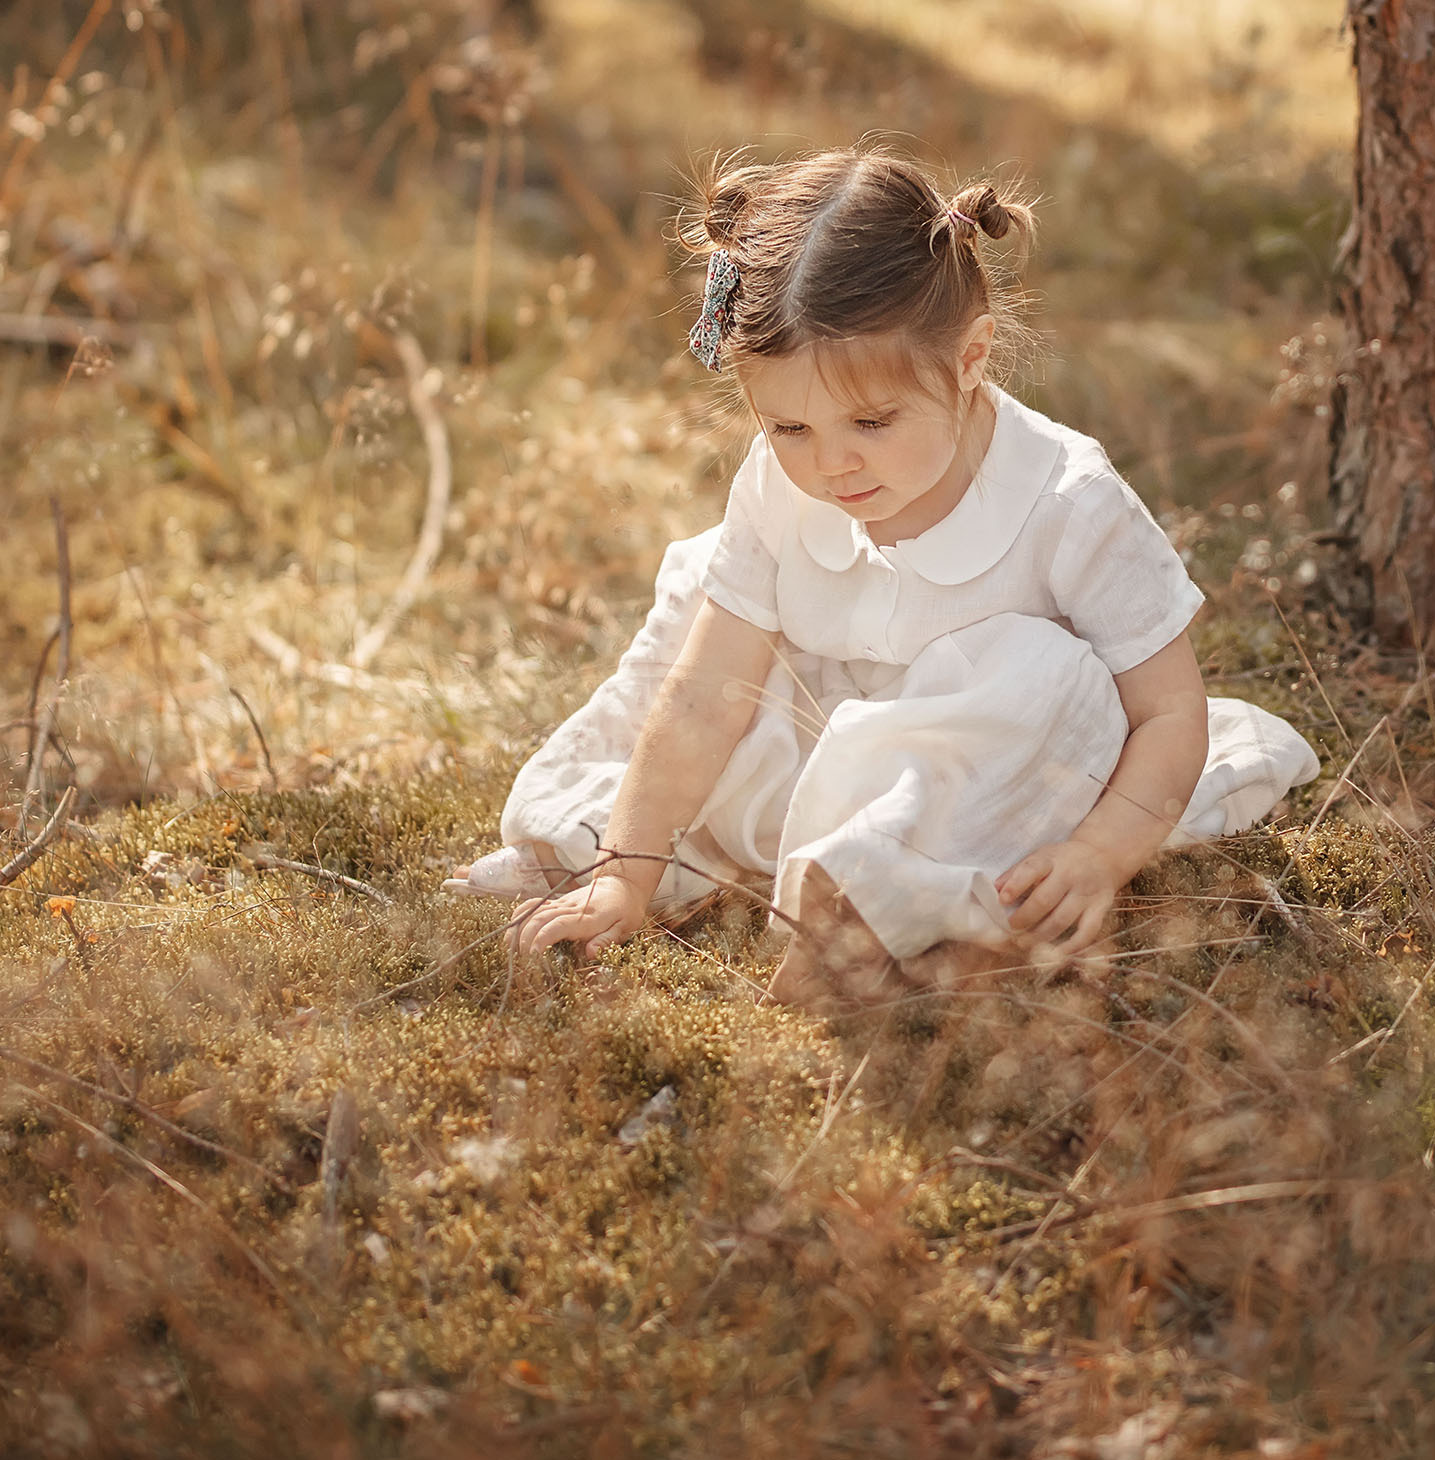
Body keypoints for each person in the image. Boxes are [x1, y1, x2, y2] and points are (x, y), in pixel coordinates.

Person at [455, 147, 1317, 1005]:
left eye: (871, 420)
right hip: (826, 741)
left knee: (1032, 670)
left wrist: (1102, 852)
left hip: (984, 771)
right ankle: (688, 862)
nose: (832, 465)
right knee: (709, 636)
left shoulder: (1068, 502)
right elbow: (700, 696)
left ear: (971, 359)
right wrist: (625, 873)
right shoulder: (777, 483)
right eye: (790, 427)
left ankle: (859, 908)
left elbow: (1169, 711)